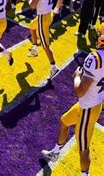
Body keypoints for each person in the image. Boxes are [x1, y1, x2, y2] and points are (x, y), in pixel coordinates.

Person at [42, 23, 104, 176]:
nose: (96, 35)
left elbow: (80, 91)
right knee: (64, 121)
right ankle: (55, 152)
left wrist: (77, 77)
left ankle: (85, 175)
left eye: (100, 33)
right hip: (92, 103)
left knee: (83, 148)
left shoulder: (95, 58)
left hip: (88, 108)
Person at [27, 0, 63, 80]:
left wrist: (30, 1)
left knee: (46, 45)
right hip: (49, 14)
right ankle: (34, 48)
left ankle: (54, 66)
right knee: (32, 27)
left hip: (43, 17)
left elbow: (33, 5)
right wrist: (55, 11)